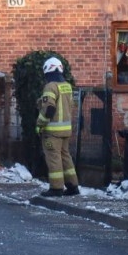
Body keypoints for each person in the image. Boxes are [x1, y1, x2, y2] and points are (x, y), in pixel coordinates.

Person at [36, 57, 79, 197]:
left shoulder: (50, 86)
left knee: (54, 158)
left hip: (52, 132)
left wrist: (40, 124)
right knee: (66, 157)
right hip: (66, 130)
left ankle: (56, 188)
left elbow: (49, 109)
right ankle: (73, 186)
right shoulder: (67, 85)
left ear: (47, 70)